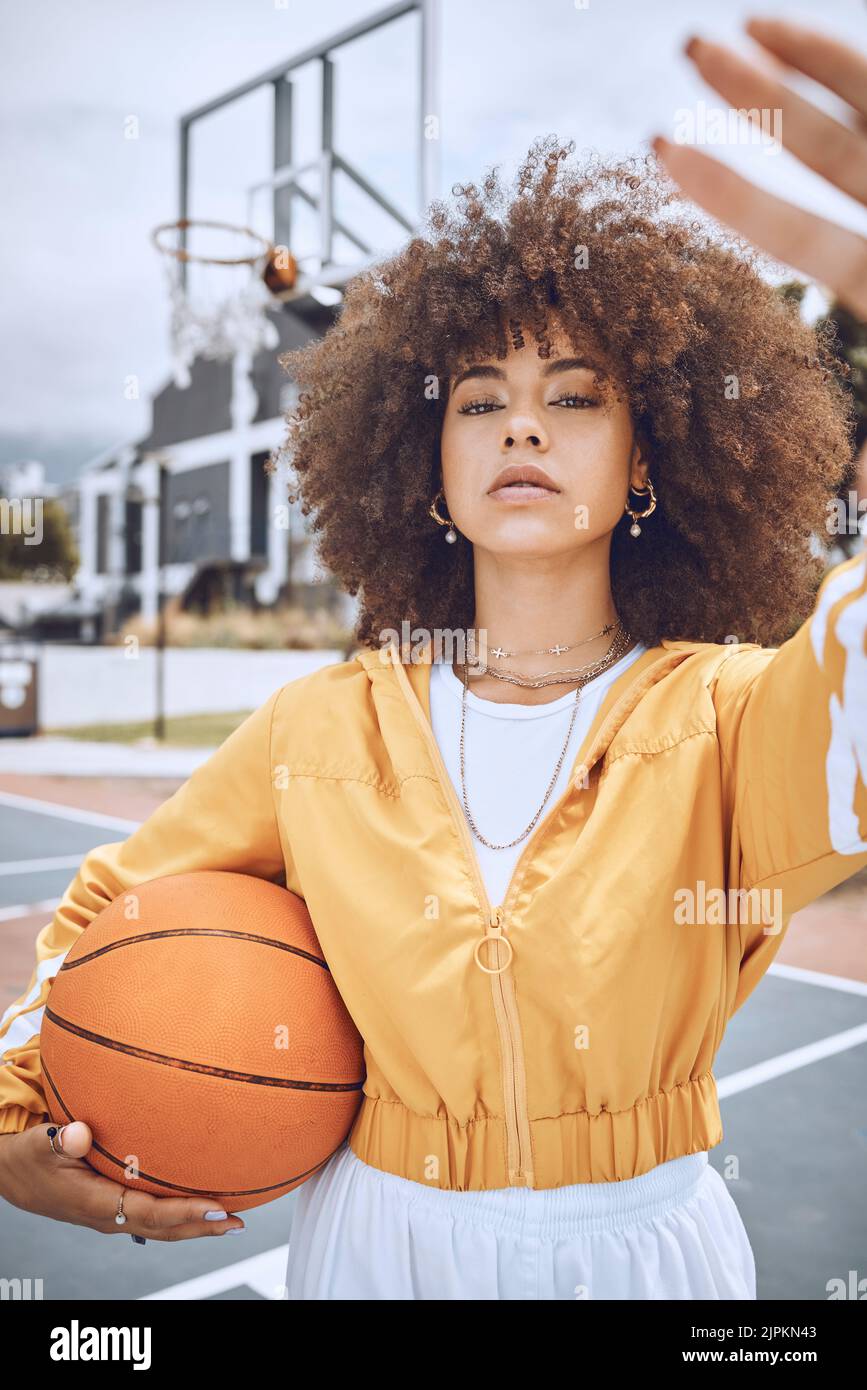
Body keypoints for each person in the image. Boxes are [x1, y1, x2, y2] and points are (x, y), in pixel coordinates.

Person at [1, 15, 865, 1300]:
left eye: (575, 394)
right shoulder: (314, 733)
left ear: (646, 460)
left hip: (651, 1256)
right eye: (479, 400)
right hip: (374, 1252)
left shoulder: (739, 720)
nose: (523, 420)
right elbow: (92, 925)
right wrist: (14, 1115)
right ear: (428, 462)